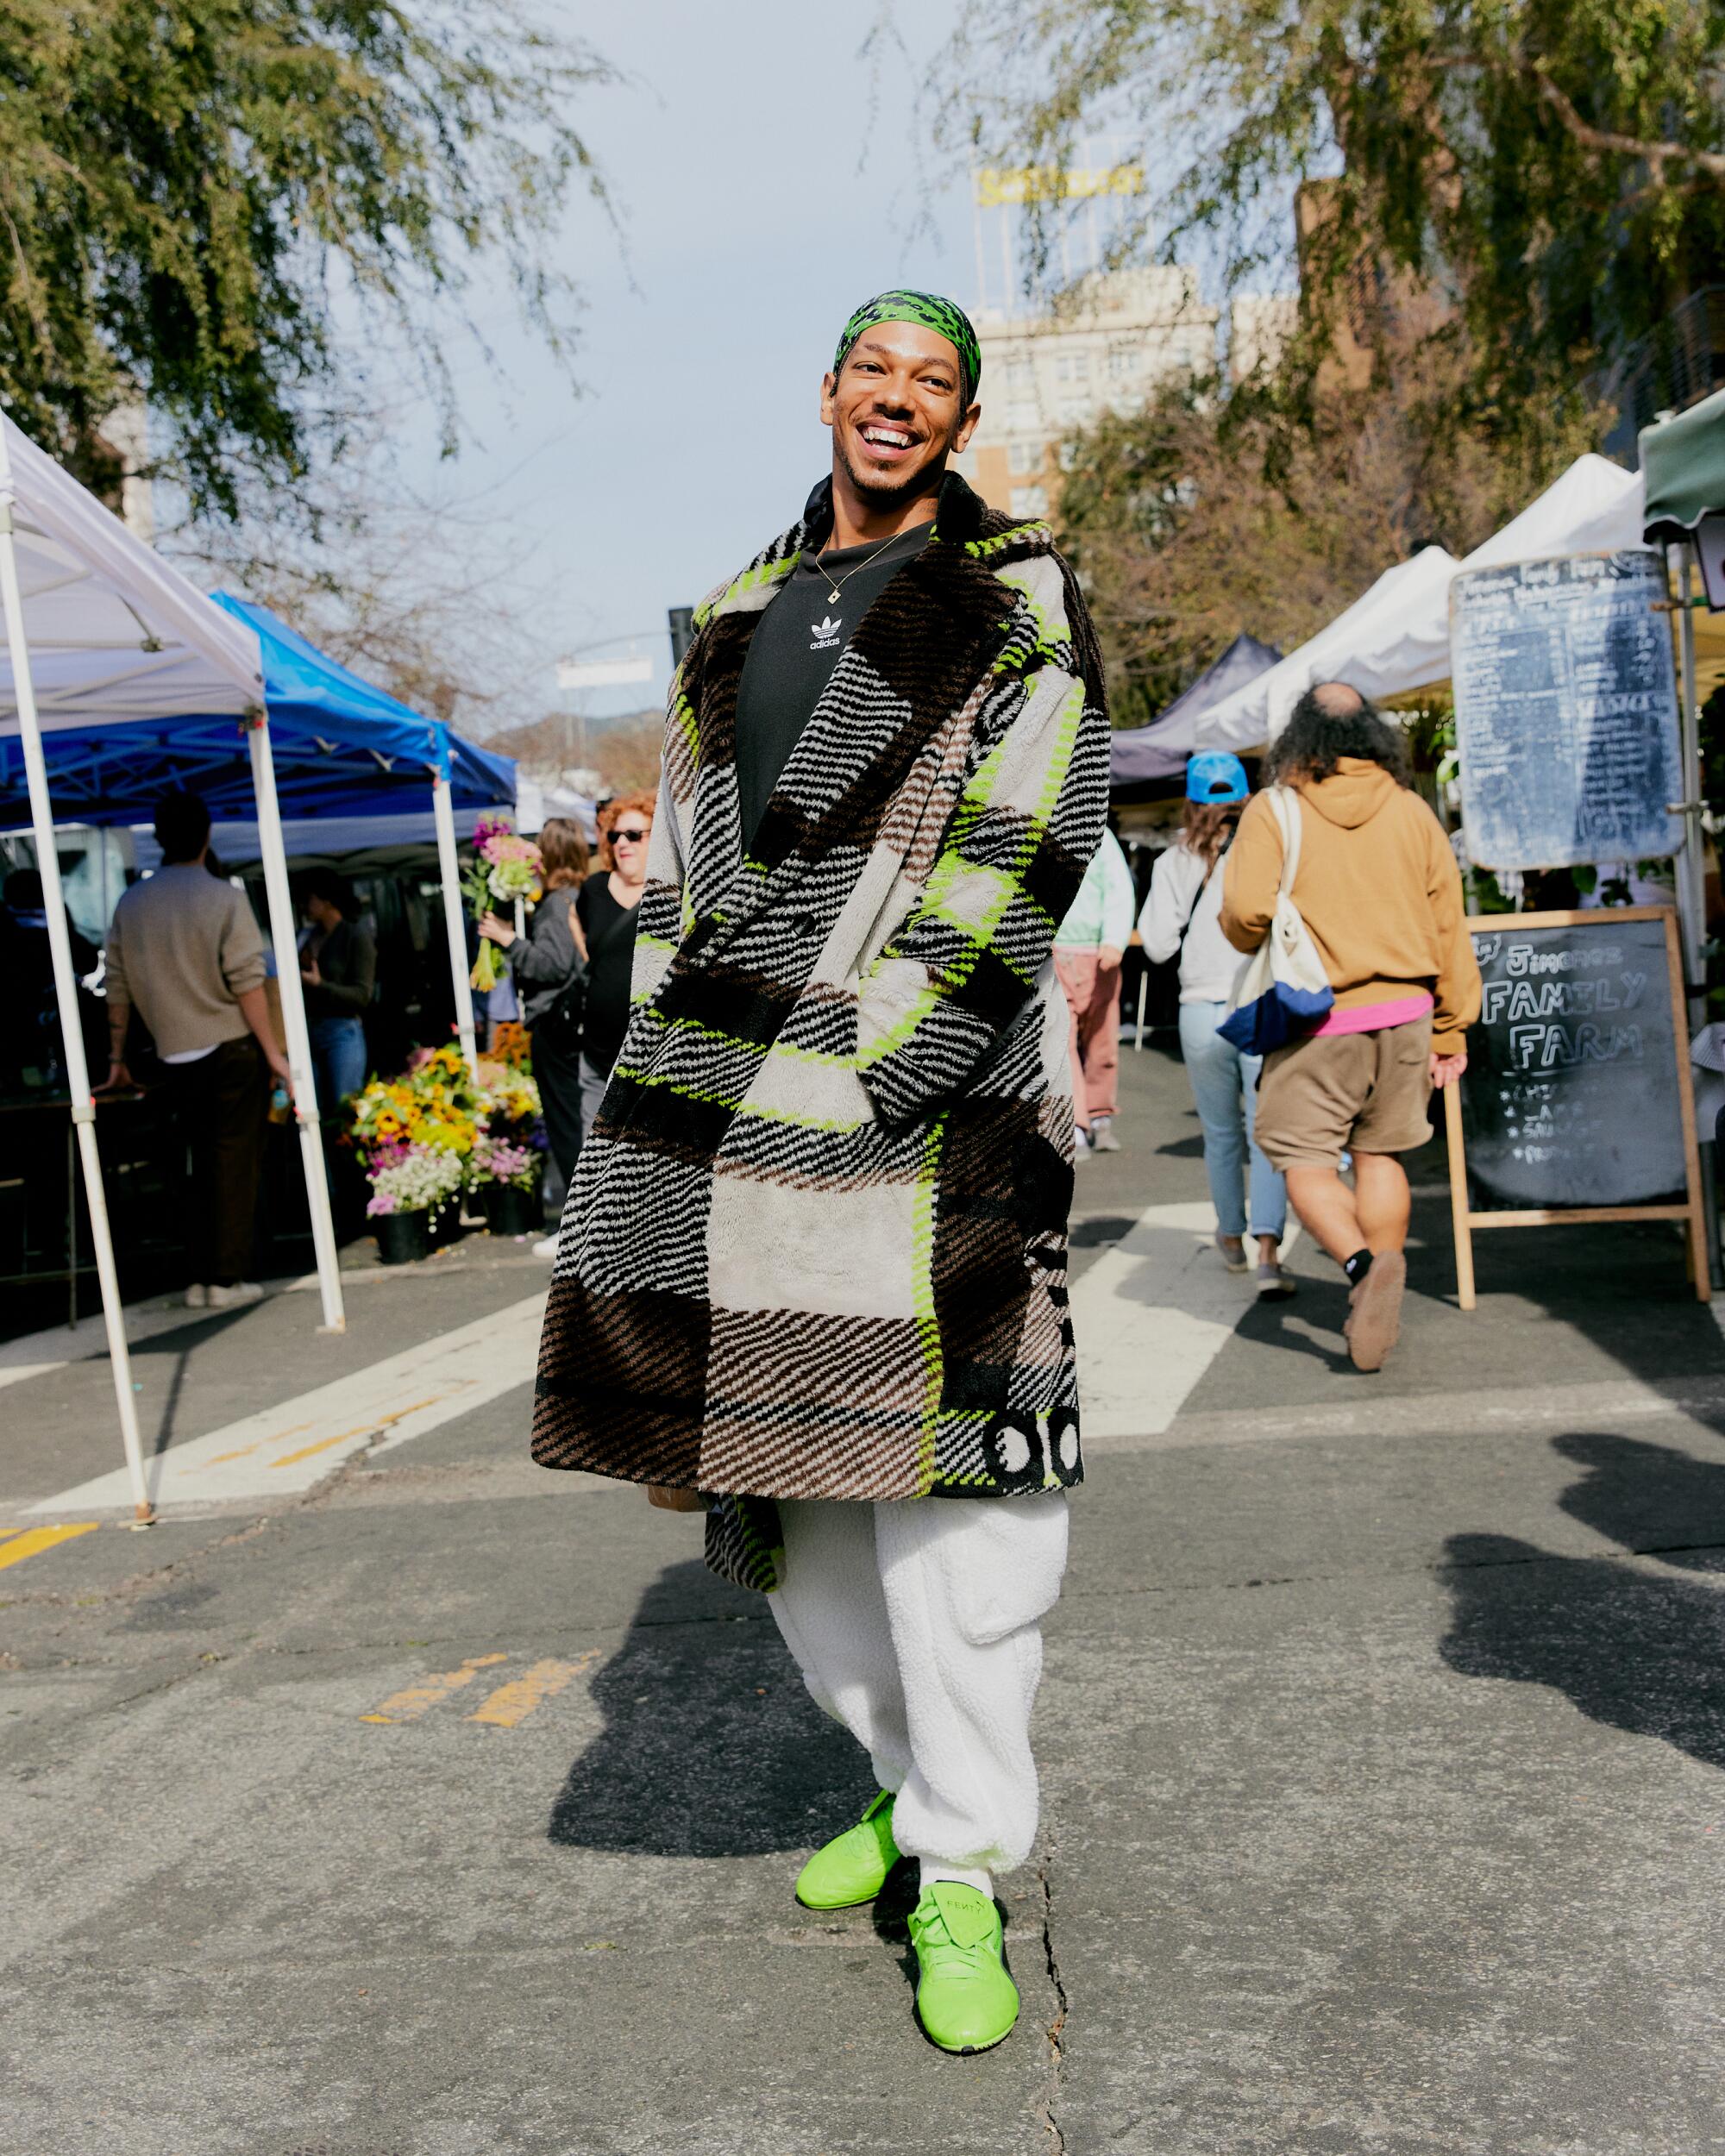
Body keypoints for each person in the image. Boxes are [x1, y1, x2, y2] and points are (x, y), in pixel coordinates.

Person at [531, 290, 1108, 2053]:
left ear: (957, 417)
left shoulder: (1018, 602)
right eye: (875, 369)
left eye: (934, 380)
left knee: (955, 1503)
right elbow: (701, 859)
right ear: (830, 389)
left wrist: (897, 1060)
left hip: (914, 1095)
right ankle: (896, 1771)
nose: (899, 399)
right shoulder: (730, 608)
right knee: (789, 1495)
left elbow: (1035, 836)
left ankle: (955, 1862)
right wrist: (659, 1062)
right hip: (718, 1087)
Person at [1220, 683, 1481, 1369]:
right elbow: (1450, 925)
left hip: (1320, 1020)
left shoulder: (1275, 810)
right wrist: (1453, 1029)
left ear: (1298, 738)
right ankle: (1387, 1268)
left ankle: (1365, 1269)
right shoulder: (1411, 811)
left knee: (1300, 1156)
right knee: (1381, 1156)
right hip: (1409, 1015)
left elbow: (1246, 913)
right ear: (1373, 735)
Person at [101, 789, 292, 1309]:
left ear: (159, 838)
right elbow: (247, 982)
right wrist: (275, 1053)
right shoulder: (224, 897)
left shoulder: (130, 902)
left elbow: (115, 986)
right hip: (230, 1048)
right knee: (234, 1164)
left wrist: (117, 1059)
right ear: (207, 836)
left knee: (187, 1168)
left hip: (166, 1055)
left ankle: (199, 1275)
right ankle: (226, 1278)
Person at [1138, 751, 1295, 1297]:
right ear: (1246, 798)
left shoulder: (1173, 861)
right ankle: (1270, 1252)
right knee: (1269, 1131)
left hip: (1199, 1011)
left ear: (1192, 800)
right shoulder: (1269, 852)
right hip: (1261, 1007)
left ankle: (1230, 1238)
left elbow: (1157, 946)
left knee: (1222, 1134)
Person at [480, 817, 590, 1256]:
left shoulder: (557, 903)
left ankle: (576, 1225)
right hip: (576, 1024)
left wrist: (509, 940)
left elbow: (554, 964)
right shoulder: (578, 897)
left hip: (557, 1025)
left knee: (565, 1123)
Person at [571, 793, 652, 1142]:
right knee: (593, 1157)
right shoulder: (593, 889)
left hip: (649, 1062)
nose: (623, 843)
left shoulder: (672, 893)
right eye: (615, 836)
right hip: (597, 1058)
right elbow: (585, 946)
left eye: (634, 835)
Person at [1052, 823, 1135, 1153]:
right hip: (1056, 952)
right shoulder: (1044, 825)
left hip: (1099, 956)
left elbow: (1119, 888)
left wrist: (1115, 939)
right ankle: (1076, 1121)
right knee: (1063, 1041)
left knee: (1102, 1041)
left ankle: (1100, 1113)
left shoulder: (1102, 836)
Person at [298, 868, 375, 1113]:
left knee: (344, 1108)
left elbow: (363, 996)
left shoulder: (355, 935)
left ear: (327, 900)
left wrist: (320, 985)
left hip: (342, 1031)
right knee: (315, 1109)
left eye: (310, 899)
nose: (305, 906)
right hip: (310, 1030)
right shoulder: (308, 937)